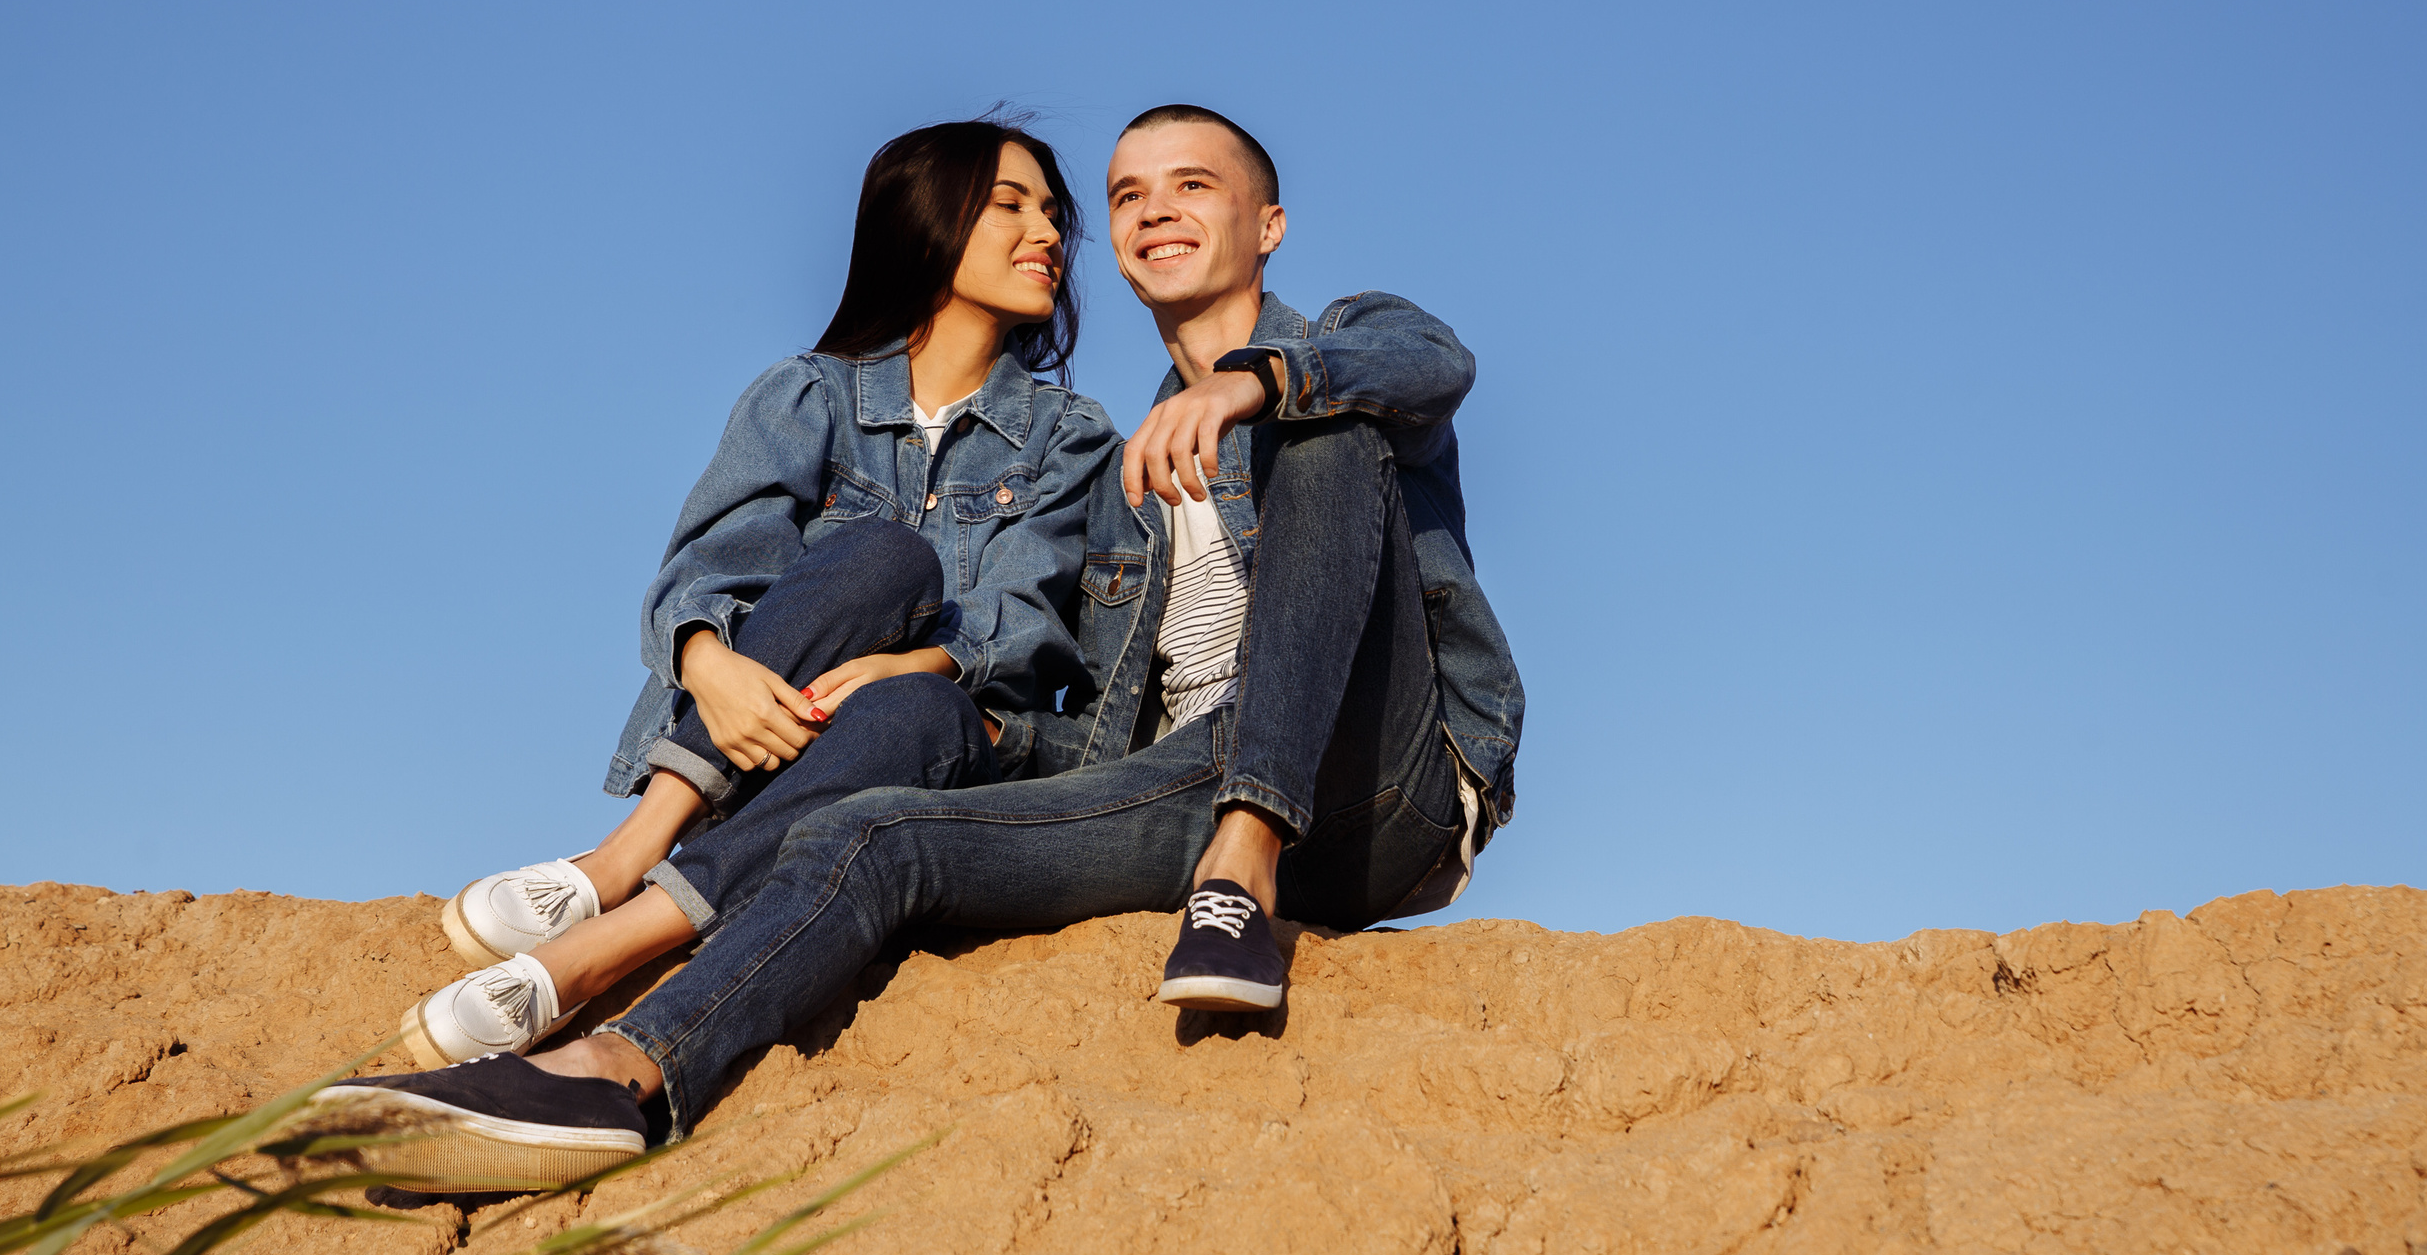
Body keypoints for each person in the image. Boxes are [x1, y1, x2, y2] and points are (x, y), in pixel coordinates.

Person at [310, 106, 1522, 1186]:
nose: (1150, 211)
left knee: (1325, 432)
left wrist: (1257, 382)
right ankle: (615, 1071)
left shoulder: (1349, 344)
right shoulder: (1117, 472)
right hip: (1174, 784)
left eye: (1192, 185)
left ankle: (1243, 865)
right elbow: (1090, 699)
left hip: (1368, 785)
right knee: (872, 826)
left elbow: (1434, 363)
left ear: (1268, 224)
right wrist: (944, 702)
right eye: (1126, 195)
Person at [392, 116, 1114, 1070]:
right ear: (928, 221)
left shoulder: (1072, 437)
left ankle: (596, 951)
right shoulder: (806, 394)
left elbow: (1028, 615)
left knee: (920, 704)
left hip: (917, 759)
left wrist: (911, 663)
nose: (1050, 234)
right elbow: (707, 563)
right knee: (884, 560)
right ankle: (621, 856)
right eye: (1009, 206)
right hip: (747, 743)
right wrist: (712, 667)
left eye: (1054, 215)